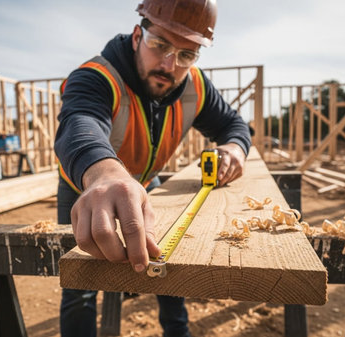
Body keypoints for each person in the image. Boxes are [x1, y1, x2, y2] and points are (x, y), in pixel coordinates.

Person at [54, 0, 251, 336]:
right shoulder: (96, 77)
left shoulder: (196, 86)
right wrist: (105, 174)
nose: (169, 64)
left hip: (145, 180)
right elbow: (79, 123)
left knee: (165, 265)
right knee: (81, 284)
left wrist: (235, 148)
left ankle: (177, 331)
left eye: (187, 55)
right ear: (136, 35)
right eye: (160, 44)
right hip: (89, 188)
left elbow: (234, 124)